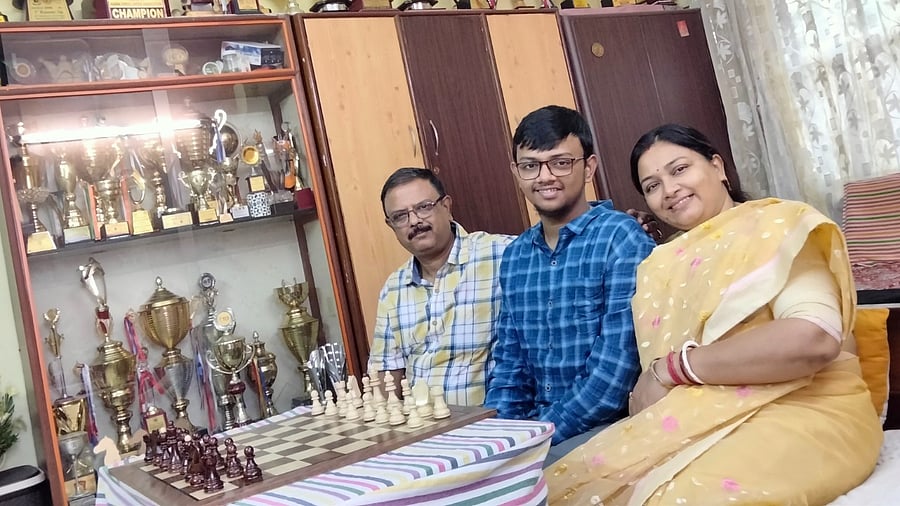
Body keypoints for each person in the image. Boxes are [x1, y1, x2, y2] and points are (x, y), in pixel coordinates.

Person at [546, 124, 882, 505]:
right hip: (700, 415)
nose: (669, 190)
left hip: (808, 407)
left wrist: (672, 369)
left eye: (679, 169)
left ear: (718, 167)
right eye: (652, 186)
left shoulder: (779, 224)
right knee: (563, 491)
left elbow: (814, 338)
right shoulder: (660, 264)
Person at [484, 105, 657, 461]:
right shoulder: (515, 255)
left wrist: (533, 437)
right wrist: (499, 439)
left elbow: (613, 376)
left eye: (561, 162)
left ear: (589, 167)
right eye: (531, 166)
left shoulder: (621, 238)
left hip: (608, 427)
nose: (545, 176)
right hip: (534, 432)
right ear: (517, 172)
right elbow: (509, 366)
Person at [368, 168, 513, 406]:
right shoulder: (393, 289)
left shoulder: (502, 255)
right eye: (400, 216)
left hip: (488, 418)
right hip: (422, 422)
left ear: (446, 206)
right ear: (390, 225)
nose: (414, 221)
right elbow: (386, 375)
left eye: (424, 207)